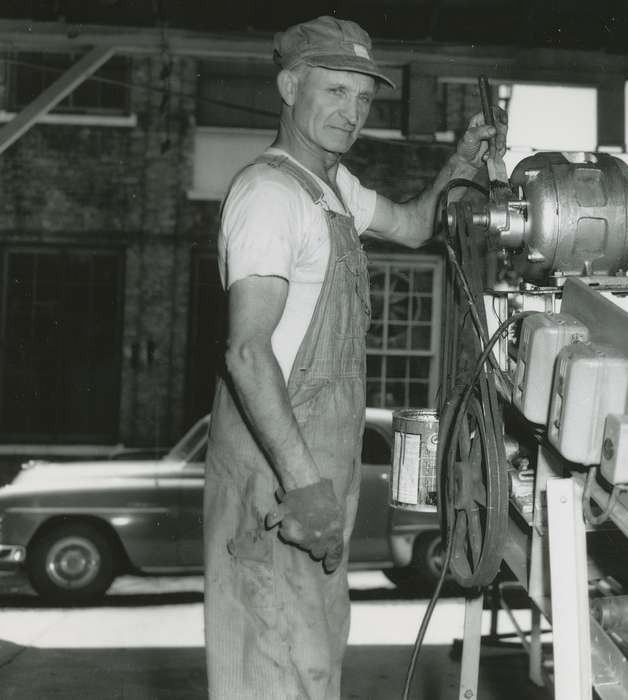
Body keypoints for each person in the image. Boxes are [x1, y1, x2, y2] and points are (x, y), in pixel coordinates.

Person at [203, 15, 506, 699]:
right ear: (288, 86)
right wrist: (305, 491)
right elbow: (248, 353)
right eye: (335, 92)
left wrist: (458, 165)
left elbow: (415, 224)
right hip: (278, 478)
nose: (353, 112)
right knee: (275, 665)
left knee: (311, 656)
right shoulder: (270, 196)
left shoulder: (330, 189)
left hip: (316, 470)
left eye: (364, 98)